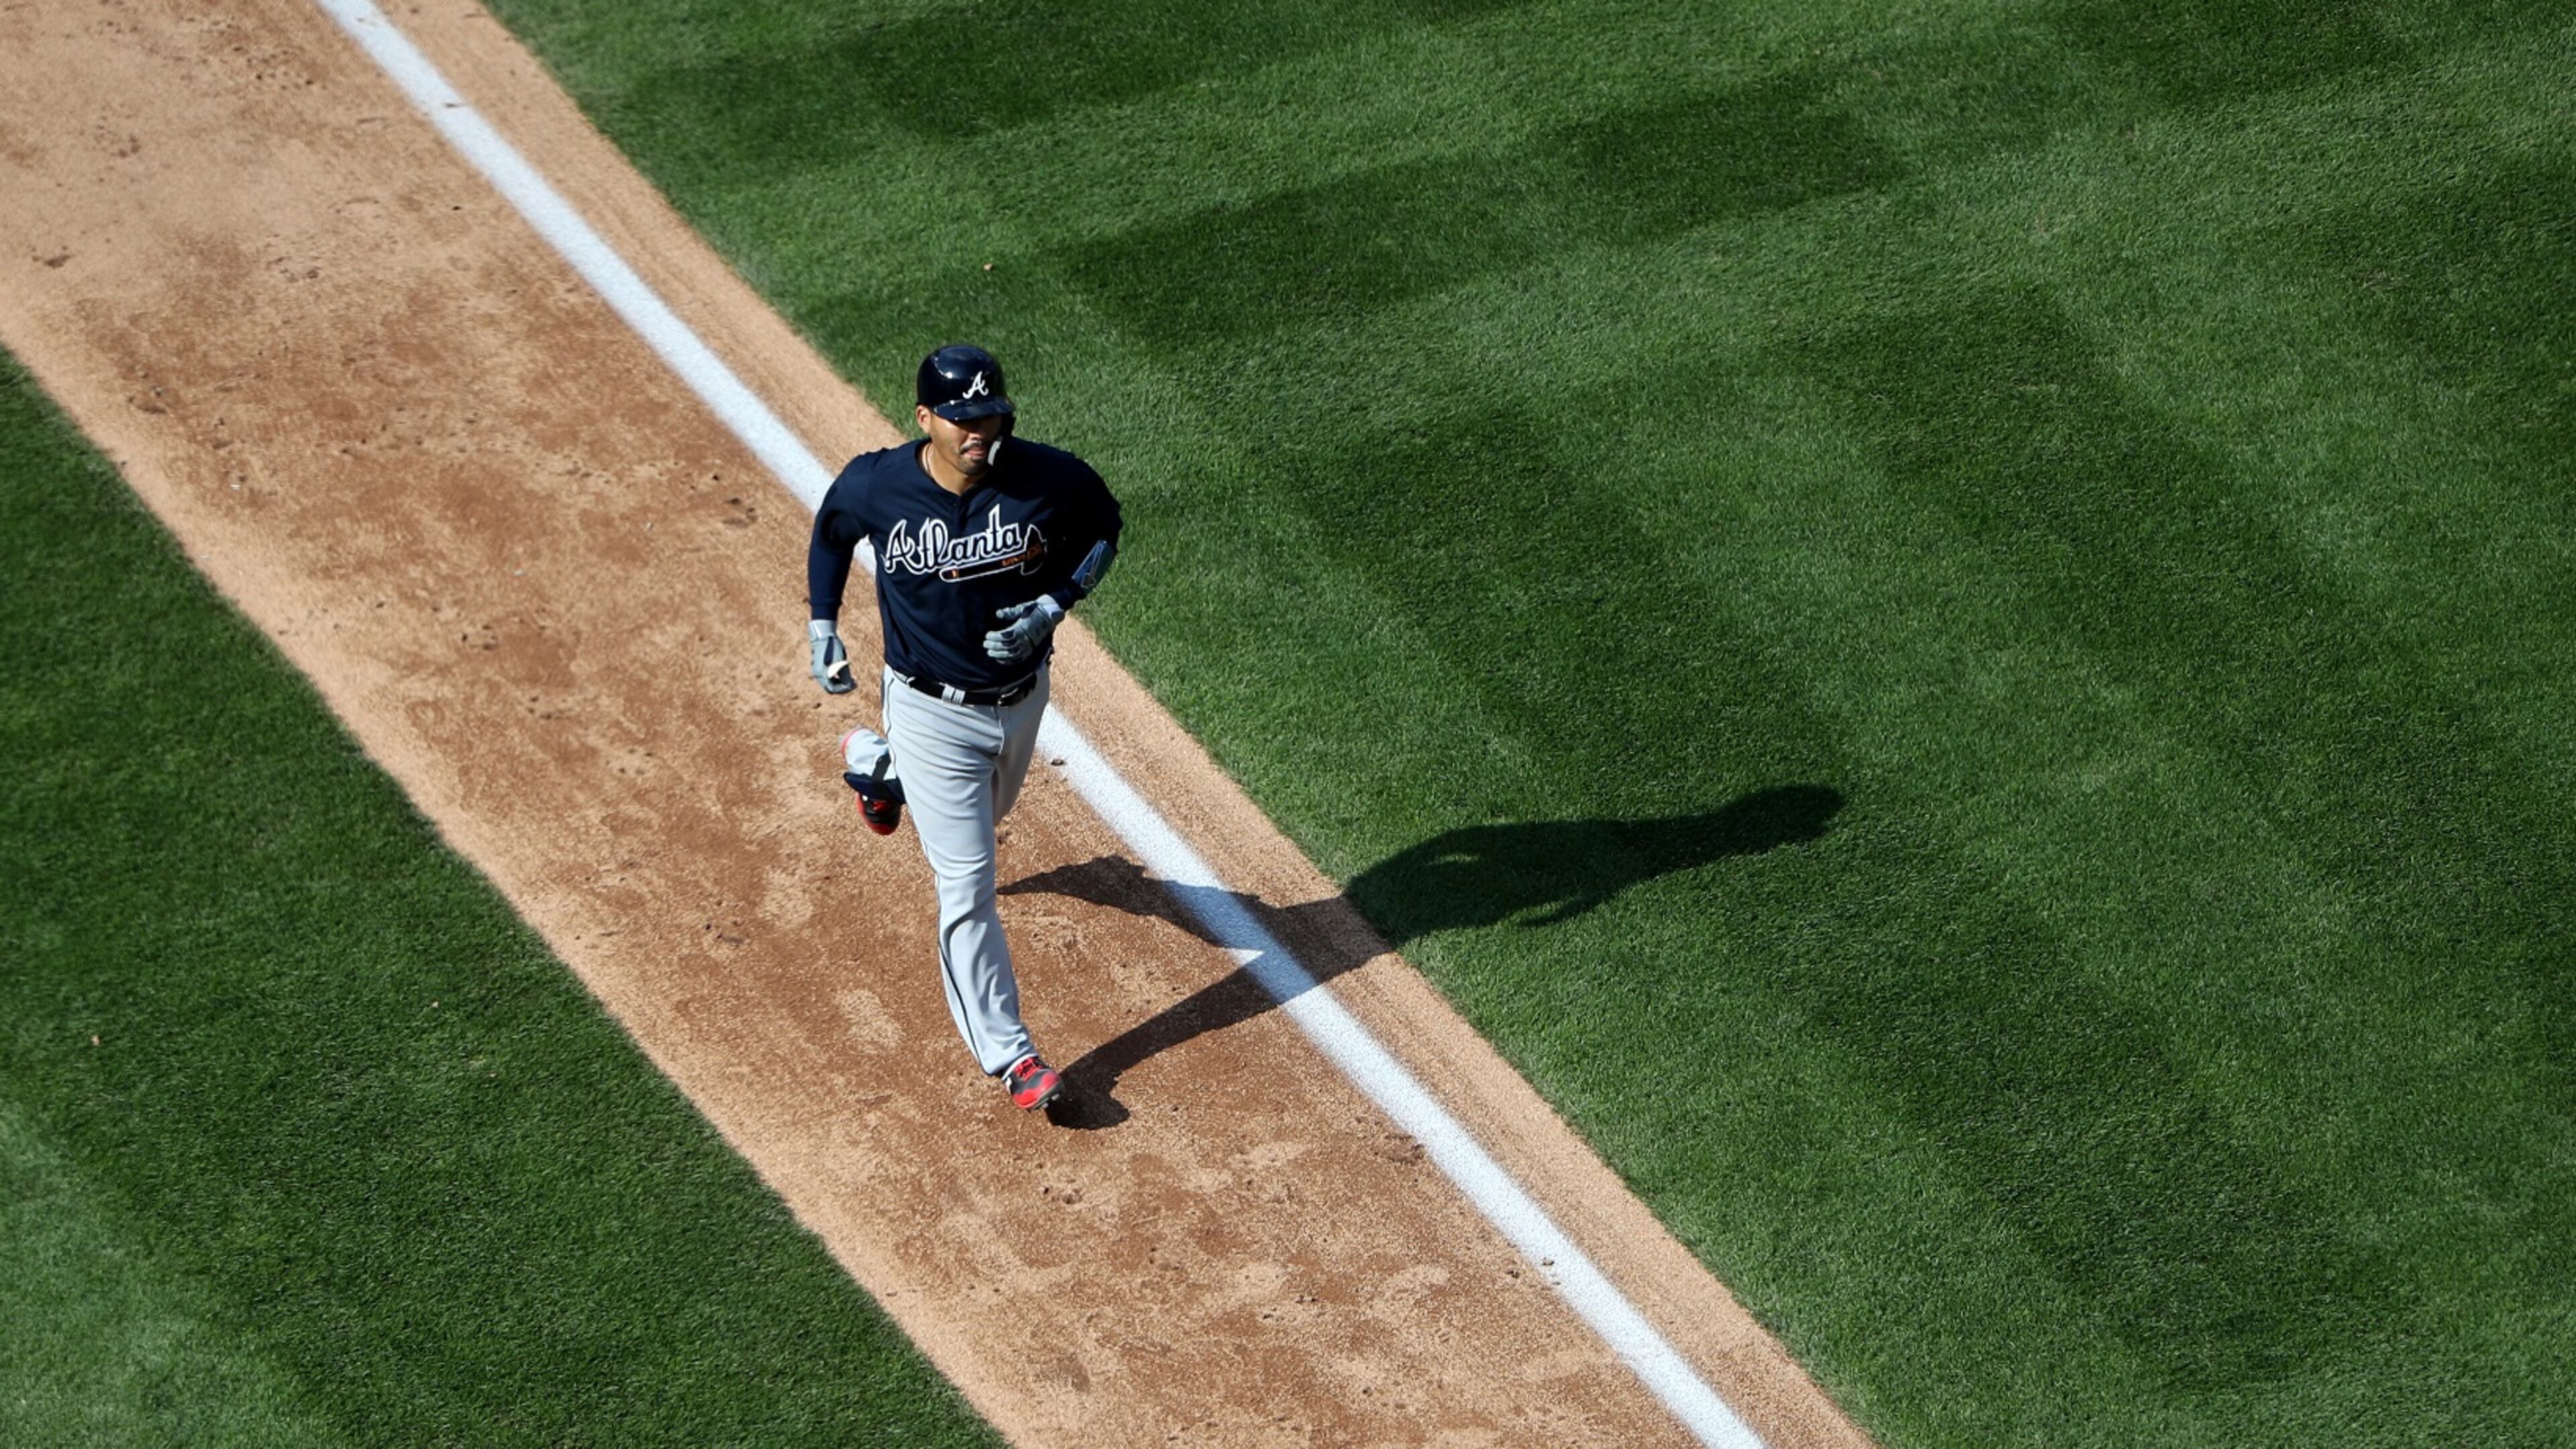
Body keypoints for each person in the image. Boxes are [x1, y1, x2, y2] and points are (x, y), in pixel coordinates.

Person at [805, 345, 1122, 1112]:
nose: (980, 432)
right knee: (968, 883)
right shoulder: (877, 485)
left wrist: (1055, 605)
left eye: (991, 416)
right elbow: (832, 532)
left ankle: (878, 770)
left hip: (1021, 700)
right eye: (963, 420)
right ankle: (1011, 1056)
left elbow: (1105, 528)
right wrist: (822, 623)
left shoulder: (1049, 478)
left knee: (989, 815)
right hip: (928, 706)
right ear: (926, 419)